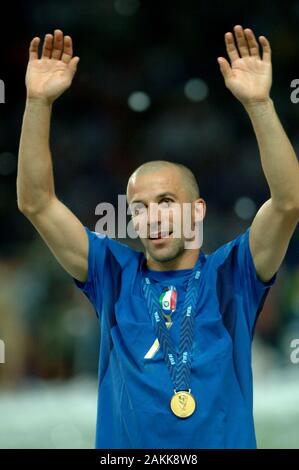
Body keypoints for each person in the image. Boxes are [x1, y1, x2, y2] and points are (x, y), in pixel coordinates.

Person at [17, 26, 299, 449]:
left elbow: (288, 202)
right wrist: (38, 102)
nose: (152, 217)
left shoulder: (232, 274)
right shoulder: (113, 273)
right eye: (139, 208)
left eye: (166, 200)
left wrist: (259, 104)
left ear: (197, 210)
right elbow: (36, 202)